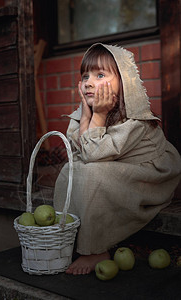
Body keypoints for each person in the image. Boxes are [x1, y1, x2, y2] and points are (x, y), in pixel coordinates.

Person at [53, 43, 181, 275]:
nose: (89, 82)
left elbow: (92, 155)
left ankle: (96, 249)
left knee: (91, 173)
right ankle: (65, 234)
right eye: (85, 76)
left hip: (149, 176)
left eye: (100, 75)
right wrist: (86, 116)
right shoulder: (86, 112)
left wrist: (99, 116)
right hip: (117, 168)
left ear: (123, 82)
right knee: (69, 170)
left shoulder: (135, 120)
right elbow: (80, 153)